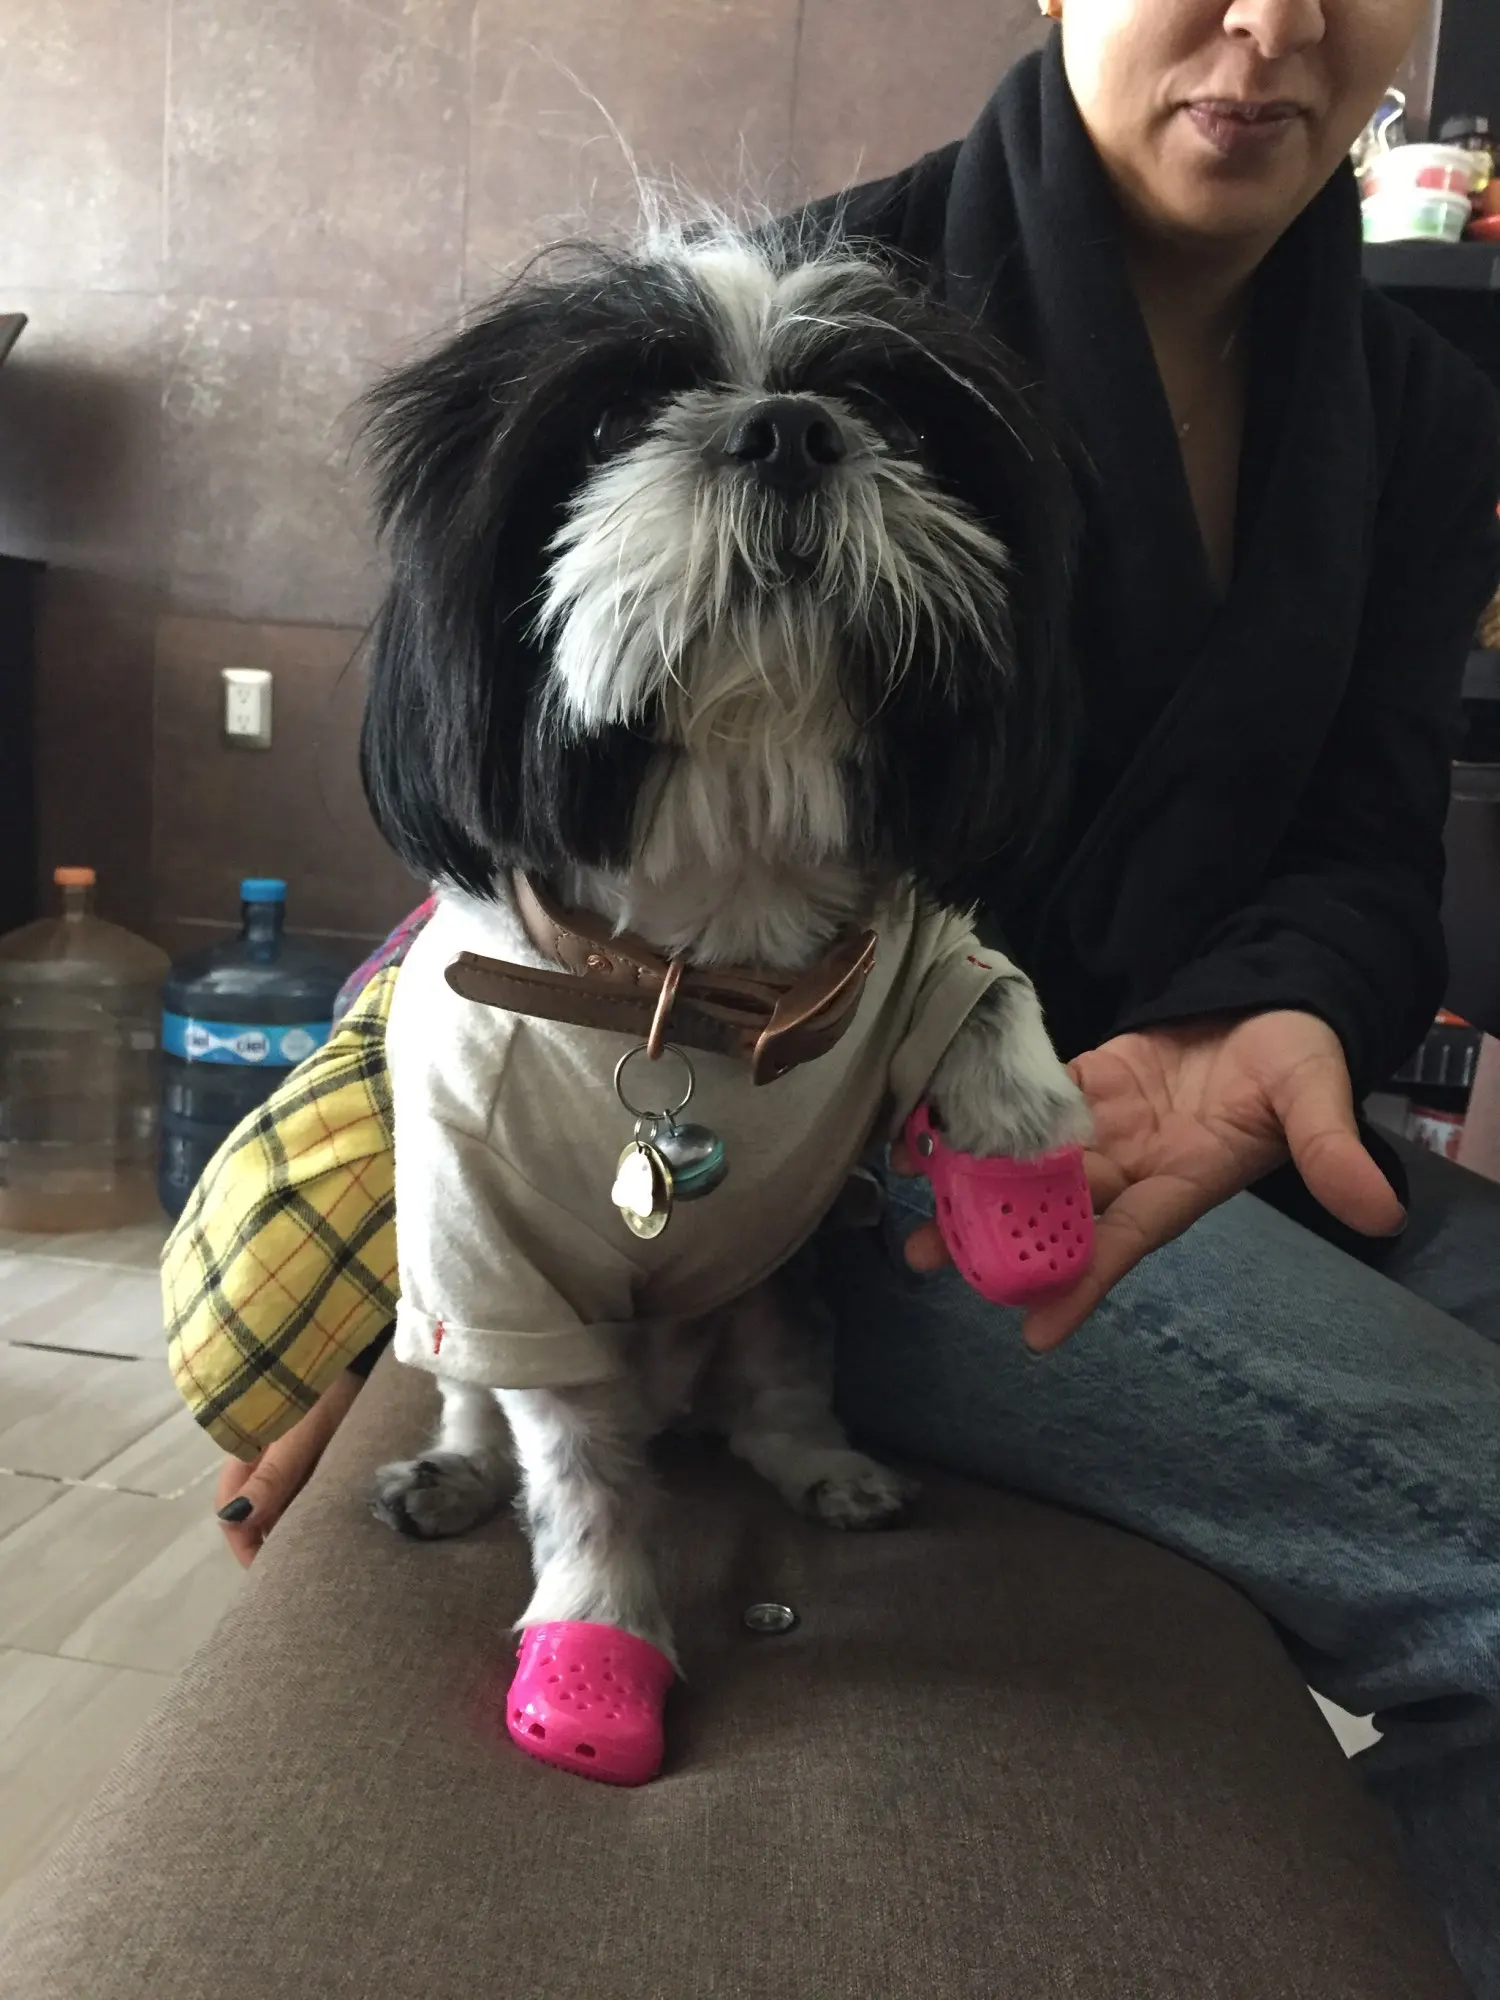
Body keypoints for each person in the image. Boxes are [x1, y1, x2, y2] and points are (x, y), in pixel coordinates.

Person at [164, 1, 1500, 1989]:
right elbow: (517, 787)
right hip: (849, 1166)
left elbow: (1377, 843)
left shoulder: (1422, 404)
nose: (1277, 21)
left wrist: (1284, 1006)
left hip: (1204, 1110)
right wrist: (395, 1269)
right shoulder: (799, 305)